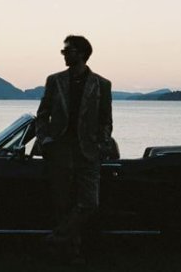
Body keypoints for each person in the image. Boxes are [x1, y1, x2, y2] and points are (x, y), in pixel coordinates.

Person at [36, 34, 113, 263]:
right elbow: (42, 114)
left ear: (81, 53)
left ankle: (55, 239)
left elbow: (106, 121)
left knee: (89, 203)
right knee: (63, 204)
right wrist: (44, 139)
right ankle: (71, 253)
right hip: (60, 150)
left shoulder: (102, 84)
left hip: (88, 152)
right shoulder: (55, 80)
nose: (63, 54)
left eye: (67, 51)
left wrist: (101, 145)